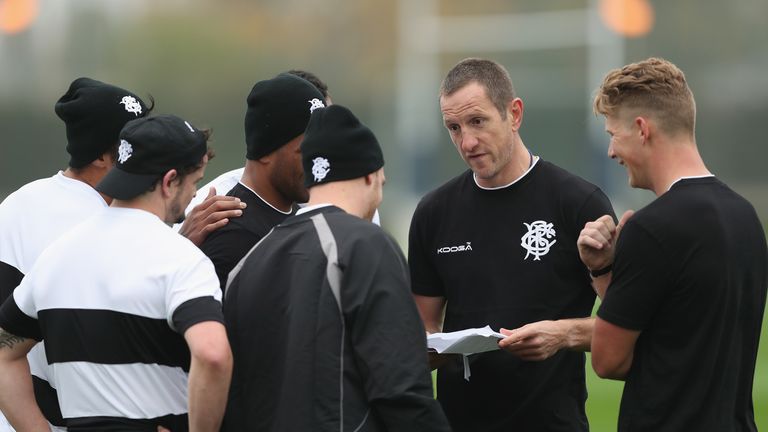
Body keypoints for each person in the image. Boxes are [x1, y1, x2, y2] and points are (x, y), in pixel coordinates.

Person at [408, 57, 616, 431]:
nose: (466, 141)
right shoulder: (433, 212)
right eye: (453, 127)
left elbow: (624, 326)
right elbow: (422, 329)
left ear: (514, 113)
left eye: (477, 121)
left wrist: (562, 335)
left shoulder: (578, 203)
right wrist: (425, 347)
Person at [222, 104, 451, 431]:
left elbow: (236, 392)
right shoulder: (366, 245)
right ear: (371, 176)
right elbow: (400, 388)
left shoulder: (248, 262)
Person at [0, 114, 232, 431]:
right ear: (169, 181)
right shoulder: (182, 261)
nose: (195, 195)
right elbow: (213, 354)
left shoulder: (56, 256)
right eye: (196, 182)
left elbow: (3, 351)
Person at [581, 57, 767, 431]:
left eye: (612, 135)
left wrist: (600, 267)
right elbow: (683, 339)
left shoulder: (651, 229)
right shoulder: (746, 217)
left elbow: (607, 360)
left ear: (641, 129)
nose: (611, 152)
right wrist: (608, 271)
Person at [0, 77, 152, 431]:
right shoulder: (22, 210)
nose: (148, 148)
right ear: (100, 155)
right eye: (133, 142)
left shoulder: (140, 209)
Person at [199, 73, 326, 291]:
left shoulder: (304, 215)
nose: (318, 162)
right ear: (266, 152)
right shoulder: (230, 233)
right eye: (306, 150)